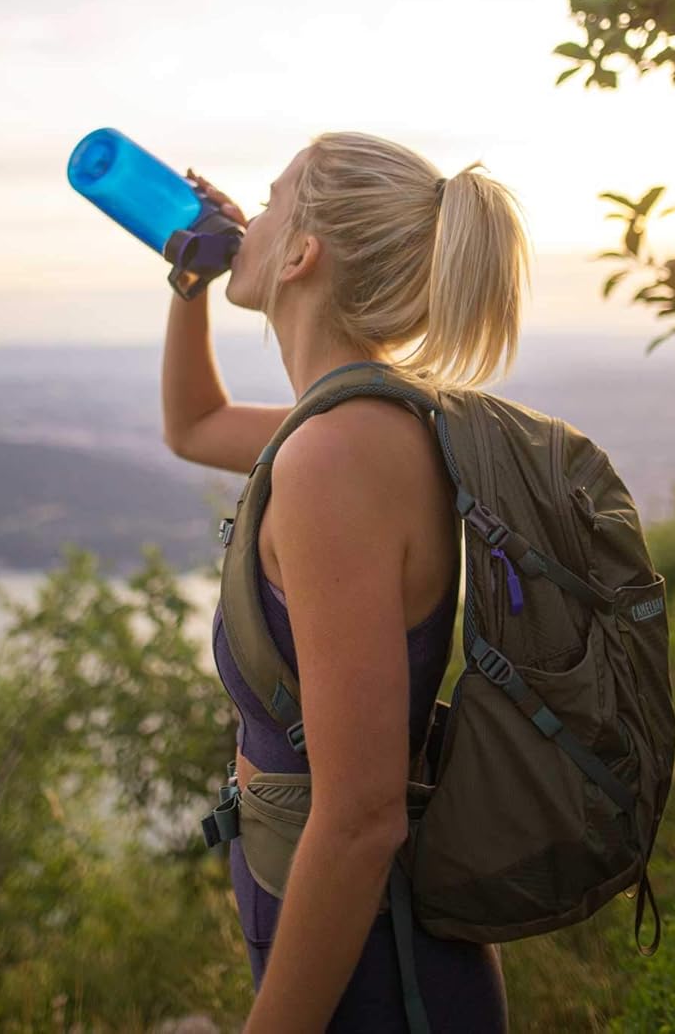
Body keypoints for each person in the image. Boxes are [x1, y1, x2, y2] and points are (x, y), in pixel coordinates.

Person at [162, 130, 532, 1033]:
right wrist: (188, 287)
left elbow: (362, 818)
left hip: (378, 966)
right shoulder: (353, 423)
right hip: (352, 932)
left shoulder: (337, 457)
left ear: (300, 254)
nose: (244, 219)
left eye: (269, 200)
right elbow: (196, 425)